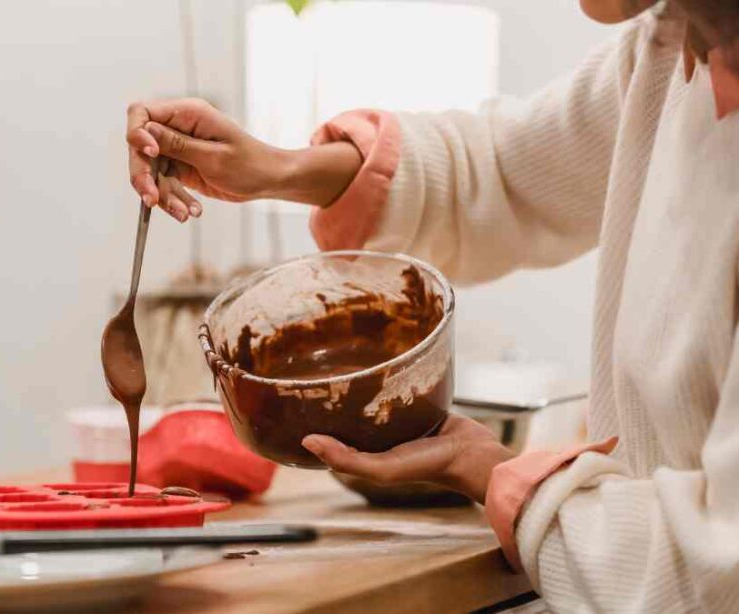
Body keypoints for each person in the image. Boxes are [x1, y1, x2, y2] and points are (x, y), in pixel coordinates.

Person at [124, 1, 738, 612]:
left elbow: (711, 570)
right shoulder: (669, 49)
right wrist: (277, 169)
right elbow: (501, 173)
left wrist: (494, 473)